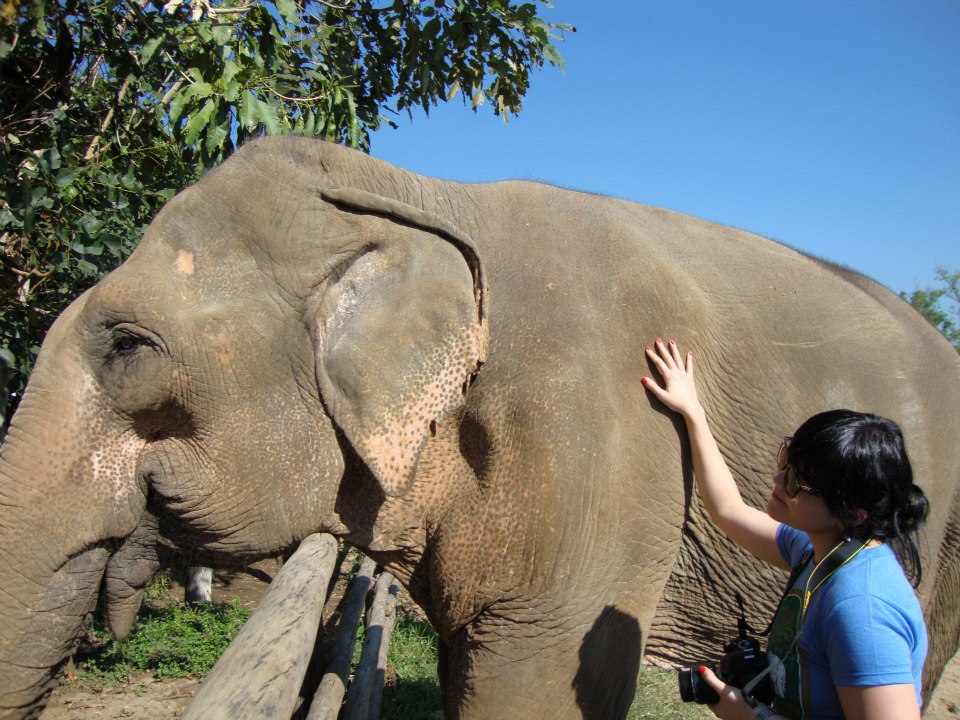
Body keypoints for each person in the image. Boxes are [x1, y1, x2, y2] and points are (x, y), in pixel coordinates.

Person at [640, 339, 929, 720]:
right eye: (786, 460)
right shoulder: (820, 551)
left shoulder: (862, 608)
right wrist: (693, 411)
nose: (777, 480)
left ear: (853, 512)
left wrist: (749, 716)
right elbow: (728, 510)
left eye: (796, 482)